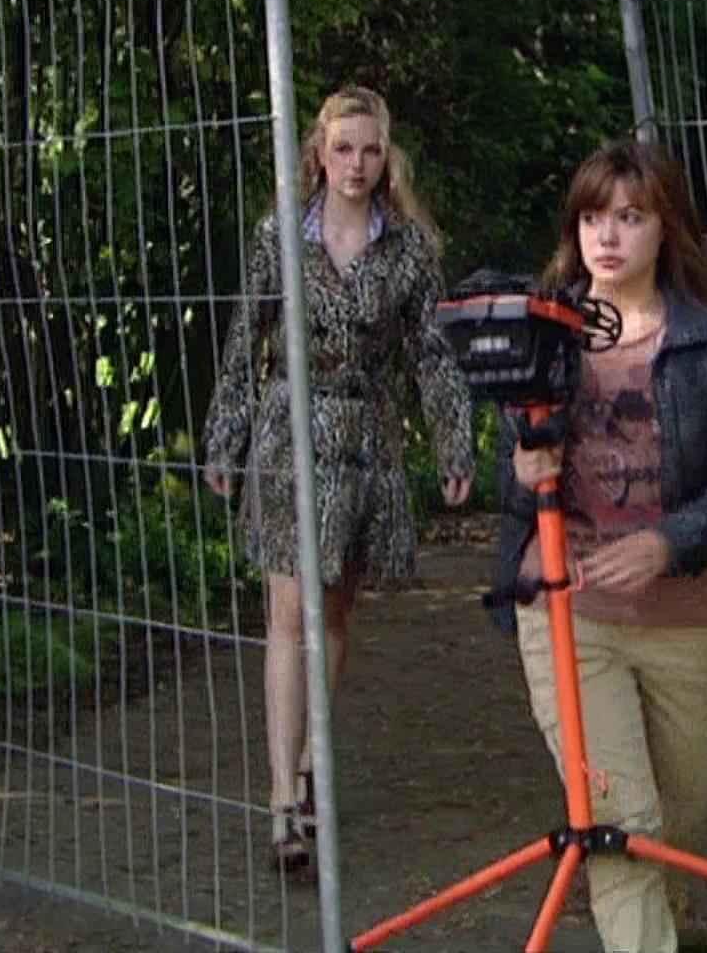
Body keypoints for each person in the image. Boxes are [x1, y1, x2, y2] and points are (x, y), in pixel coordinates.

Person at [494, 139, 707, 951]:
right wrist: (525, 471)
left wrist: (672, 542)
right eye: (593, 217)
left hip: (681, 616)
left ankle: (674, 925)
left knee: (678, 818)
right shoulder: (537, 334)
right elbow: (509, 485)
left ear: (666, 228)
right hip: (566, 611)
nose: (608, 236)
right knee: (618, 818)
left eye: (630, 217)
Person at [202, 85, 473, 873]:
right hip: (289, 434)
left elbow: (432, 354)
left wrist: (453, 444)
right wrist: (224, 437)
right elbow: (244, 339)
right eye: (343, 147)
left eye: (371, 149)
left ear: (389, 158)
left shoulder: (410, 250)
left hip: (364, 440)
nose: (357, 163)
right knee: (288, 612)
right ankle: (282, 798)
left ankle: (313, 766)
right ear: (319, 153)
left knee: (333, 614)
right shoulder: (281, 237)